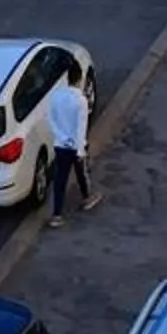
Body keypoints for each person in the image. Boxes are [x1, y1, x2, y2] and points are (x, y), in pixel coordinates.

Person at [45, 57, 98, 227]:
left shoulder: (56, 96)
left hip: (60, 145)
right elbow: (81, 127)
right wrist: (80, 149)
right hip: (76, 145)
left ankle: (57, 214)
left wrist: (62, 137)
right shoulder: (80, 101)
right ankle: (87, 198)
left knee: (60, 179)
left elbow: (51, 119)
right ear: (79, 78)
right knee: (81, 173)